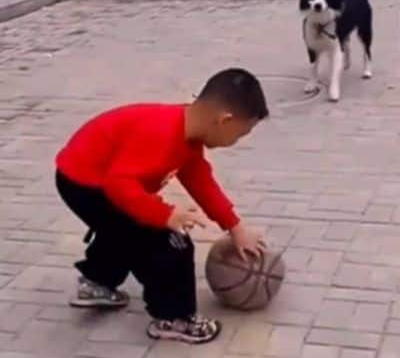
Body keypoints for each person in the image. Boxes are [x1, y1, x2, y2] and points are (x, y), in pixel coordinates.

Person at [55, 68, 269, 343]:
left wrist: (235, 227)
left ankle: (96, 283)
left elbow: (201, 182)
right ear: (224, 120)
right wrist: (165, 215)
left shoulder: (188, 133)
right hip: (85, 182)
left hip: (87, 175)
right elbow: (118, 185)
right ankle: (173, 317)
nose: (235, 142)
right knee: (170, 243)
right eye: (240, 135)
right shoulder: (161, 134)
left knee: (123, 229)